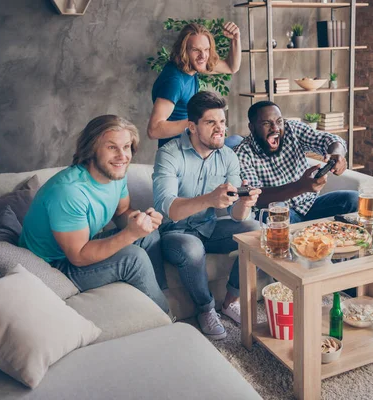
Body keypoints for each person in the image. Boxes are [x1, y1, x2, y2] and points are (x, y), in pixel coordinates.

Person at [19, 115, 172, 318]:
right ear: (91, 149)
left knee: (150, 235)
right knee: (133, 259)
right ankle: (167, 318)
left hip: (78, 247)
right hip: (53, 264)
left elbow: (120, 212)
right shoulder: (69, 192)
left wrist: (140, 220)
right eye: (112, 147)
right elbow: (79, 257)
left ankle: (157, 294)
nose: (122, 156)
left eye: (126, 147)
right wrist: (130, 234)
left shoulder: (116, 173)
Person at [153, 91, 260, 340]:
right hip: (174, 232)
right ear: (192, 126)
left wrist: (244, 203)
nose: (220, 129)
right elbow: (167, 207)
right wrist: (210, 199)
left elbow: (235, 215)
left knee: (256, 229)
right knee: (191, 248)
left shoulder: (227, 156)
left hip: (209, 228)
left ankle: (231, 301)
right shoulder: (169, 154)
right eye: (211, 122)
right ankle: (206, 309)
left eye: (222, 122)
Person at [234, 101, 359, 223]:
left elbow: (331, 139)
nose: (275, 128)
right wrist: (300, 187)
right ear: (252, 127)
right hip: (281, 213)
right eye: (266, 123)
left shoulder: (292, 129)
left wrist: (337, 154)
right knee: (272, 214)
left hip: (311, 205)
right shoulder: (243, 153)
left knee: (354, 199)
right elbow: (257, 198)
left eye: (279, 121)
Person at [147, 22, 241, 148]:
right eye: (196, 50)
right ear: (184, 51)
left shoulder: (191, 66)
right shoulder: (174, 82)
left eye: (206, 49)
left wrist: (236, 39)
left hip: (194, 143)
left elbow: (231, 67)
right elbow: (154, 130)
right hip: (179, 151)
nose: (203, 56)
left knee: (237, 140)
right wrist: (198, 122)